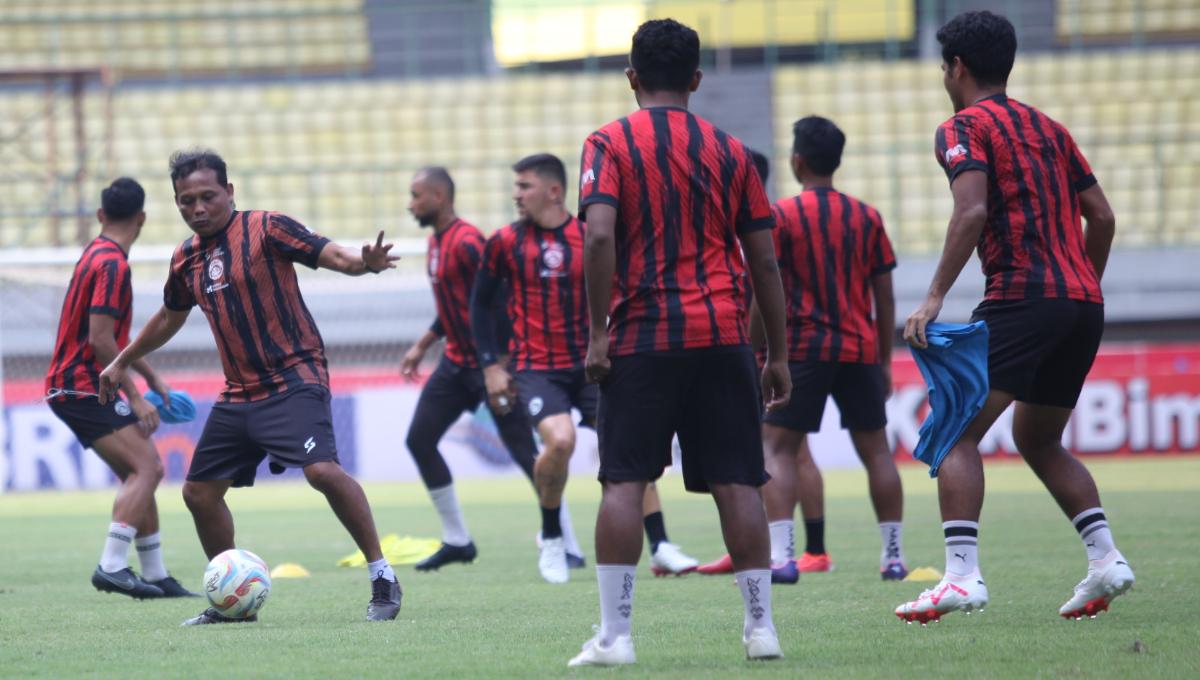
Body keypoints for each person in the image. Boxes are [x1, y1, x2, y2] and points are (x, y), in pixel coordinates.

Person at [98, 149, 403, 624]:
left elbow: (336, 255)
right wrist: (124, 360)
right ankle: (230, 602)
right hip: (240, 391)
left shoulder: (268, 228)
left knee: (322, 471)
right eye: (185, 201)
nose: (197, 208)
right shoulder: (186, 258)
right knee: (198, 493)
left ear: (229, 192)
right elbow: (168, 317)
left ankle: (382, 574)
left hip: (295, 376)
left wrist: (364, 263)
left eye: (207, 196)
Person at [569, 19, 791, 667]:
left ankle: (615, 637)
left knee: (623, 481)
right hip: (723, 337)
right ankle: (760, 630)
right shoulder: (732, 151)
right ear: (696, 80)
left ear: (631, 76)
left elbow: (600, 236)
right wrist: (774, 354)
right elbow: (765, 263)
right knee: (738, 482)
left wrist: (598, 333)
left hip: (641, 338)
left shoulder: (607, 143)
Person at [898, 11, 1131, 623]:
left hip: (1022, 296)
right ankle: (1105, 558)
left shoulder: (961, 127)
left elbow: (970, 211)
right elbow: (1102, 218)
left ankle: (960, 576)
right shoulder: (1049, 128)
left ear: (957, 68)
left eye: (943, 66)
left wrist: (932, 298)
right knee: (1037, 437)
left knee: (954, 428)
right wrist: (1080, 287)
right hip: (1082, 302)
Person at [470, 153, 698, 584]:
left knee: (631, 448)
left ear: (554, 191)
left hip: (593, 365)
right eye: (516, 187)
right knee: (560, 440)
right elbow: (480, 305)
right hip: (537, 367)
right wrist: (490, 367)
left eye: (524, 186)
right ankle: (553, 537)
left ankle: (662, 546)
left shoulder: (591, 238)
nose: (516, 194)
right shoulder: (503, 242)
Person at [699, 121, 908, 583]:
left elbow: (763, 286)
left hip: (805, 349)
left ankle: (783, 557)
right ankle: (893, 556)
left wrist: (755, 350)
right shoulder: (867, 217)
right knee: (876, 452)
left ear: (797, 162)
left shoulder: (782, 216)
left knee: (777, 448)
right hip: (858, 349)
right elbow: (885, 296)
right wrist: (883, 358)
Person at [45, 177, 194, 600]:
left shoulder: (95, 253)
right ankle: (111, 565)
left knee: (139, 471)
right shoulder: (113, 265)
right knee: (149, 468)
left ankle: (156, 574)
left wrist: (155, 380)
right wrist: (136, 395)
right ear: (142, 218)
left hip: (74, 385)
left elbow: (114, 338)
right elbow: (101, 341)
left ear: (100, 215)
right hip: (82, 387)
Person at [399, 166, 544, 571]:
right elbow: (458, 306)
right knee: (419, 440)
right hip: (455, 365)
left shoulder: (467, 242)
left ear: (440, 197)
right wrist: (422, 345)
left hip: (488, 366)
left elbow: (494, 300)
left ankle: (560, 537)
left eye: (416, 195)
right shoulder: (434, 244)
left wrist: (501, 361)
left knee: (523, 450)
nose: (411, 204)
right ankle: (458, 540)